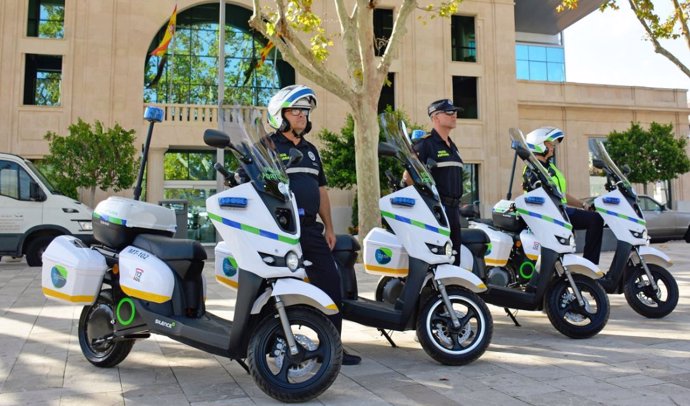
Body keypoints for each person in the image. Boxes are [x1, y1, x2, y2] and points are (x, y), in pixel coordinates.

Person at [266, 84, 361, 366]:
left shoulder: (310, 150)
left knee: (331, 284)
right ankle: (270, 344)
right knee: (273, 288)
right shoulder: (268, 146)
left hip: (309, 229)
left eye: (305, 112)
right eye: (296, 110)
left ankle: (333, 349)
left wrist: (329, 227)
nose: (302, 116)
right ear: (279, 114)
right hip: (279, 229)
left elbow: (321, 192)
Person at [522, 127, 604, 265]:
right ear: (539, 144)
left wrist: (583, 205)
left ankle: (587, 266)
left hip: (560, 210)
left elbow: (561, 193)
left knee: (595, 218)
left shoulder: (549, 167)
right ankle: (590, 264)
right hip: (550, 213)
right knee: (595, 220)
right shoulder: (533, 168)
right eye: (550, 144)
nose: (553, 147)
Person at [404, 99, 464, 266]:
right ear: (436, 117)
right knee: (440, 259)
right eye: (449, 113)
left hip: (453, 211)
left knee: (454, 259)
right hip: (438, 211)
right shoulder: (425, 144)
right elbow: (408, 178)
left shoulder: (453, 146)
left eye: (455, 112)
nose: (455, 116)